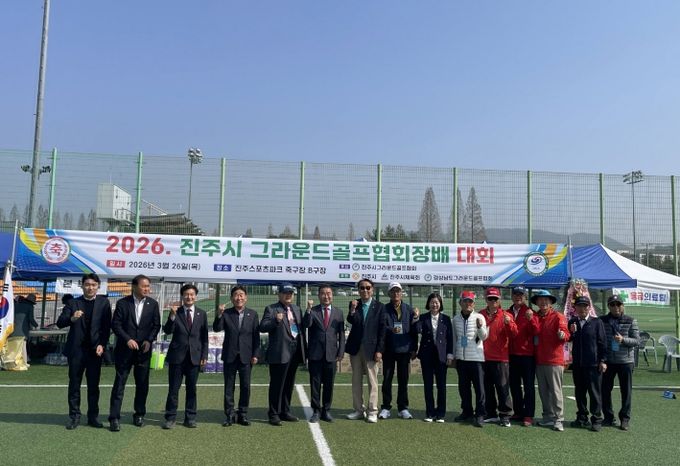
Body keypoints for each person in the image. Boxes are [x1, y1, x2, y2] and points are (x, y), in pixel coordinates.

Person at [56, 273, 112, 430]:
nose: (90, 288)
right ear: (82, 286)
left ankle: (93, 417)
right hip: (76, 351)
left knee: (93, 386)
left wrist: (102, 344)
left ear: (98, 287)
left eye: (93, 285)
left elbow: (106, 327)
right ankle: (74, 416)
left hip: (95, 351)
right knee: (74, 384)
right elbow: (60, 323)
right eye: (87, 285)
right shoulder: (73, 303)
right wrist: (72, 318)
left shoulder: (104, 303)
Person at [108, 274, 161, 432]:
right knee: (119, 384)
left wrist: (149, 340)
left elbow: (156, 325)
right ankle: (114, 418)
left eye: (148, 286)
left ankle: (139, 414)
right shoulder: (123, 303)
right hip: (124, 351)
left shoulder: (153, 304)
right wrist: (127, 339)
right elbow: (116, 325)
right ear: (134, 286)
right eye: (144, 286)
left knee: (142, 385)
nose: (147, 289)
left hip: (143, 352)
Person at [162, 283, 209, 429]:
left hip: (194, 357)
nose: (189, 297)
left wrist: (204, 355)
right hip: (177, 357)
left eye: (192, 294)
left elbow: (204, 338)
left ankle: (190, 418)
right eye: (186, 294)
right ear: (182, 296)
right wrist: (171, 316)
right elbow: (167, 331)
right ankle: (170, 418)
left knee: (191, 389)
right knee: (173, 389)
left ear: (196, 297)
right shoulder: (176, 312)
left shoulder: (202, 314)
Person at [212, 285, 260, 427]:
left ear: (246, 298)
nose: (239, 298)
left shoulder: (253, 314)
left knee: (245, 387)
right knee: (229, 387)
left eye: (241, 295)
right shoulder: (226, 313)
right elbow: (217, 328)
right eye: (236, 295)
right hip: (230, 355)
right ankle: (230, 415)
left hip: (247, 356)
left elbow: (256, 337)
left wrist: (256, 354)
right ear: (232, 298)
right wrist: (219, 314)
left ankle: (243, 414)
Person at [260, 282, 307, 426]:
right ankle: (273, 413)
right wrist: (276, 320)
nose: (288, 295)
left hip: (295, 352)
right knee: (277, 384)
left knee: (289, 384)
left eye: (290, 293)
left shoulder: (296, 309)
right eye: (285, 293)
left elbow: (301, 327)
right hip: (279, 352)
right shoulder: (271, 309)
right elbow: (263, 327)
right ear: (279, 294)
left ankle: (285, 411)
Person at [345, 278, 386, 423]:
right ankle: (358, 410)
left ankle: (372, 411)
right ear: (358, 290)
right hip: (356, 348)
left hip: (372, 349)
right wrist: (352, 310)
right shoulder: (354, 304)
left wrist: (379, 350)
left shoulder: (380, 307)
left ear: (372, 290)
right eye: (362, 288)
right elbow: (352, 320)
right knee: (356, 380)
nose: (365, 290)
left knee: (372, 381)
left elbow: (382, 330)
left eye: (368, 287)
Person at [302, 284, 345, 423]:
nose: (326, 296)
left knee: (329, 384)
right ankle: (316, 410)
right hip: (315, 354)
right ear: (318, 295)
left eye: (328, 293)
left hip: (331, 354)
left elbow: (341, 334)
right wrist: (308, 310)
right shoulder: (313, 311)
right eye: (323, 293)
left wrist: (341, 351)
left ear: (332, 295)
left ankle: (326, 410)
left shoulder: (338, 312)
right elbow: (306, 324)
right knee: (315, 384)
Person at [380, 281, 419, 420]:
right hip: (389, 350)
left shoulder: (409, 310)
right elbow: (381, 329)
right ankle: (385, 407)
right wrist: (391, 330)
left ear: (401, 293)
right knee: (387, 379)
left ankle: (403, 407)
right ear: (389, 293)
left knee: (403, 380)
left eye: (398, 291)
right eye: (393, 291)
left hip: (404, 350)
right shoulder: (384, 309)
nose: (396, 293)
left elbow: (414, 331)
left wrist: (414, 348)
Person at [600, 294, 640, 431]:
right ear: (608, 306)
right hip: (608, 361)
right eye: (612, 304)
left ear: (622, 306)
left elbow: (637, 341)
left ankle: (624, 419)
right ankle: (608, 417)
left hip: (625, 362)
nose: (615, 307)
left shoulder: (631, 320)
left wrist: (623, 340)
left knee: (626, 391)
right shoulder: (602, 320)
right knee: (605, 390)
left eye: (618, 304)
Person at [532, 289, 570, 432]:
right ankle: (547, 417)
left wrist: (562, 334)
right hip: (539, 360)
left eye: (546, 300)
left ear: (551, 302)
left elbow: (566, 333)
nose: (543, 302)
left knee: (555, 391)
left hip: (554, 360)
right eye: (540, 300)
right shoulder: (535, 316)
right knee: (543, 391)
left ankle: (558, 419)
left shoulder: (558, 316)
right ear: (536, 302)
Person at [568, 296, 607, 432]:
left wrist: (603, 360)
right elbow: (568, 340)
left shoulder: (596, 322)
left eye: (584, 306)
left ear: (589, 307)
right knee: (579, 392)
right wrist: (571, 332)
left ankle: (596, 419)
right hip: (578, 364)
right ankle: (582, 418)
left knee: (594, 393)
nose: (582, 309)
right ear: (575, 308)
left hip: (593, 364)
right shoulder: (572, 322)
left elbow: (602, 343)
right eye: (579, 306)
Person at [480, 287, 517, 427]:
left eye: (495, 299)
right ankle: (491, 413)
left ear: (499, 300)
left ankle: (505, 415)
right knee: (487, 388)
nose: (493, 301)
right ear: (486, 300)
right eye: (490, 298)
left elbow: (514, 334)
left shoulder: (506, 315)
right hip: (483, 357)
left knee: (502, 388)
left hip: (501, 358)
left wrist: (509, 324)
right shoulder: (480, 314)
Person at [451, 290, 488, 428]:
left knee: (479, 389)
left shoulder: (480, 317)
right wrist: (453, 355)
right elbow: (454, 339)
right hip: (461, 359)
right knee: (464, 388)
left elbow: (484, 337)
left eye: (470, 301)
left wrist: (480, 327)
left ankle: (480, 414)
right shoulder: (455, 319)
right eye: (465, 301)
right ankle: (467, 412)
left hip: (477, 359)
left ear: (474, 304)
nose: (468, 304)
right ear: (460, 303)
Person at [415, 292, 453, 422]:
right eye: (432, 302)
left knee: (441, 386)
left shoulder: (446, 319)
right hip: (427, 356)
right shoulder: (423, 317)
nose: (434, 305)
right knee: (428, 385)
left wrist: (450, 355)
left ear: (440, 304)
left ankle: (441, 414)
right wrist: (416, 318)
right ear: (428, 304)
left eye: (437, 302)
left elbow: (450, 338)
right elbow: (417, 330)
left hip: (442, 357)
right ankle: (430, 413)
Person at [508, 286, 539, 427]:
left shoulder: (530, 312)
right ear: (512, 296)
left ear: (525, 297)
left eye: (521, 295)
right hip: (511, 354)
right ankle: (518, 411)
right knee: (514, 385)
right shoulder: (507, 312)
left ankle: (528, 414)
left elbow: (536, 331)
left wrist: (531, 319)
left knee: (528, 386)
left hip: (527, 355)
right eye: (515, 294)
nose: (518, 297)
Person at [5, 294, 39, 371]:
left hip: (11, 330)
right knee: (23, 347)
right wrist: (36, 325)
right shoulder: (30, 307)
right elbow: (31, 319)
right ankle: (24, 363)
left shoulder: (14, 306)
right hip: (22, 331)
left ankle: (10, 363)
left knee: (12, 348)